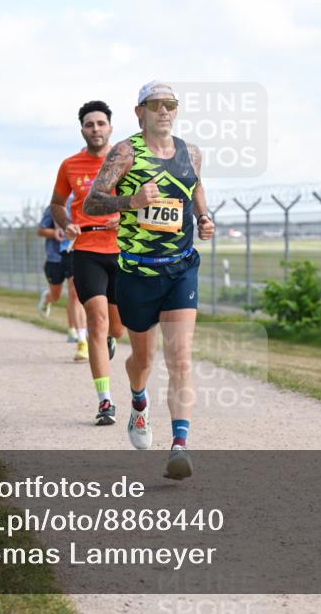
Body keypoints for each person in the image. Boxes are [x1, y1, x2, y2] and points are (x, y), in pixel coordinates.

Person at [83, 81, 215, 480]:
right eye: (155, 104)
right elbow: (92, 202)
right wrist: (131, 202)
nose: (163, 111)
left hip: (180, 267)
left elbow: (194, 189)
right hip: (137, 270)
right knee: (143, 359)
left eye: (170, 104)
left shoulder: (191, 152)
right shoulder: (124, 152)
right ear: (139, 111)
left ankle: (179, 446)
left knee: (180, 359)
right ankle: (138, 403)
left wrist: (205, 218)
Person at [50, 100, 126, 426]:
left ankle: (110, 338)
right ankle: (105, 401)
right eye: (89, 124)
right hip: (86, 249)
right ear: (82, 129)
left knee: (118, 327)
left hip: (122, 250)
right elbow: (55, 203)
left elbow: (144, 200)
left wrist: (123, 216)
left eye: (100, 123)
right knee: (96, 320)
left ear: (110, 126)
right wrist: (65, 221)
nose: (95, 129)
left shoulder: (126, 161)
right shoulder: (70, 165)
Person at [37, 202, 89, 361]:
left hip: (76, 253)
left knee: (75, 295)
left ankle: (82, 341)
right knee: (56, 295)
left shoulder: (83, 201)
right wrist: (54, 232)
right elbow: (40, 230)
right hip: (55, 258)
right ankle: (47, 298)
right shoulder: (54, 206)